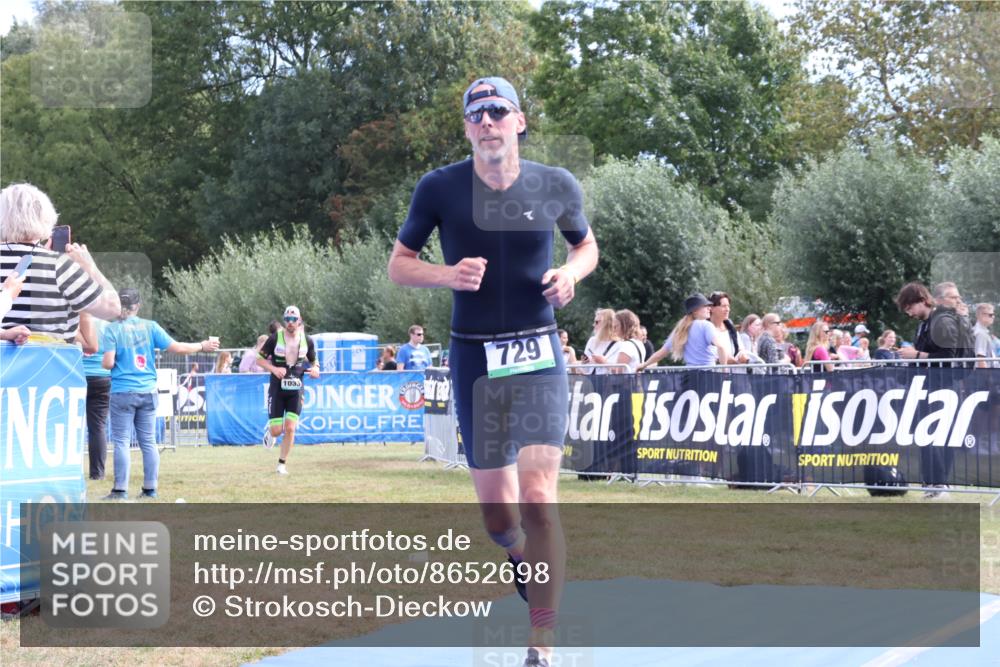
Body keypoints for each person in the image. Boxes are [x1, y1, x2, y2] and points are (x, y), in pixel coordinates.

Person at [387, 75, 598, 667]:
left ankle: (543, 642)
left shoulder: (555, 184)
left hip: (538, 355)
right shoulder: (439, 188)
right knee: (501, 517)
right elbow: (400, 265)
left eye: (497, 111)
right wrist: (445, 275)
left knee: (539, 497)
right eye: (476, 113)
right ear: (466, 128)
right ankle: (517, 555)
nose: (487, 121)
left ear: (519, 121)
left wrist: (572, 276)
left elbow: (586, 246)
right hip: (474, 357)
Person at [101, 288, 219, 500]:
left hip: (123, 391)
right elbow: (178, 348)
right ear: (138, 306)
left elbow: (108, 362)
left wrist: (106, 360)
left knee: (121, 441)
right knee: (148, 441)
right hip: (147, 391)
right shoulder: (150, 327)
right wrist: (202, 345)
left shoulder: (112, 330)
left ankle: (120, 490)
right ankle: (150, 489)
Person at [1, 183, 121, 341]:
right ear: (45, 218)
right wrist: (89, 266)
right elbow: (112, 308)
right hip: (50, 363)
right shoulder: (60, 266)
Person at [895, 281, 970, 498]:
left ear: (921, 300)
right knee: (926, 436)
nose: (909, 313)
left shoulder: (941, 321)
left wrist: (916, 355)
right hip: (928, 386)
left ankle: (940, 484)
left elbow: (949, 357)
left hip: (945, 386)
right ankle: (933, 484)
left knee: (939, 436)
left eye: (909, 308)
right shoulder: (924, 325)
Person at [256, 305, 320, 474]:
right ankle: (270, 433)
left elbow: (314, 361)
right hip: (277, 388)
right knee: (278, 430)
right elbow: (259, 360)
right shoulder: (274, 338)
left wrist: (316, 370)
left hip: (296, 389)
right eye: (288, 319)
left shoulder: (308, 340)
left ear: (299, 321)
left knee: (291, 428)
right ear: (284, 321)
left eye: (294, 319)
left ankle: (281, 464)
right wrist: (274, 369)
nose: (291, 322)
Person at [639, 293, 733, 368]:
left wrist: (644, 365)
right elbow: (721, 347)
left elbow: (661, 353)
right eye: (705, 306)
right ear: (695, 311)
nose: (709, 308)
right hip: (708, 376)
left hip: (689, 376)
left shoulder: (681, 328)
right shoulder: (706, 325)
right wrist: (724, 370)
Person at [76, 312, 111, 480]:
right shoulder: (107, 327)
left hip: (77, 377)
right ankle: (97, 473)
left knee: (69, 425)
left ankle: (69, 470)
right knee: (97, 428)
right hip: (102, 378)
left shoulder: (74, 324)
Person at [708, 292, 750, 365]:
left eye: (728, 306)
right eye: (723, 306)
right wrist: (722, 359)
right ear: (712, 308)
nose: (727, 309)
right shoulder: (705, 329)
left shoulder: (731, 329)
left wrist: (742, 355)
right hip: (712, 373)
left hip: (732, 374)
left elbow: (741, 349)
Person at [582, 308, 620, 373]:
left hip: (609, 381)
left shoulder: (619, 344)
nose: (593, 325)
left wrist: (604, 362)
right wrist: (585, 362)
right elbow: (585, 369)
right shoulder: (592, 341)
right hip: (593, 380)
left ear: (607, 323)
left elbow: (620, 371)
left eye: (597, 322)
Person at [973, 303, 997, 369]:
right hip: (984, 374)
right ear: (982, 315)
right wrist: (987, 377)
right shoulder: (981, 333)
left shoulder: (979, 331)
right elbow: (980, 359)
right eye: (991, 315)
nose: (993, 317)